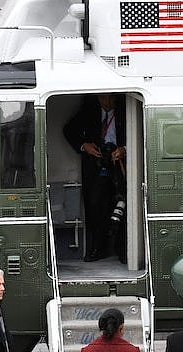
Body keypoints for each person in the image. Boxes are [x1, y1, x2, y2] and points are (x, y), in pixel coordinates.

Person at [63, 93, 127, 262]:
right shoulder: (89, 111)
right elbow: (68, 130)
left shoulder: (125, 110)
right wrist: (84, 146)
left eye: (111, 98)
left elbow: (142, 131)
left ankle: (124, 251)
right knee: (95, 207)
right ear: (98, 98)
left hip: (120, 165)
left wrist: (125, 149)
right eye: (104, 98)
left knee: (123, 205)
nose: (108, 102)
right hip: (96, 167)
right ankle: (97, 249)